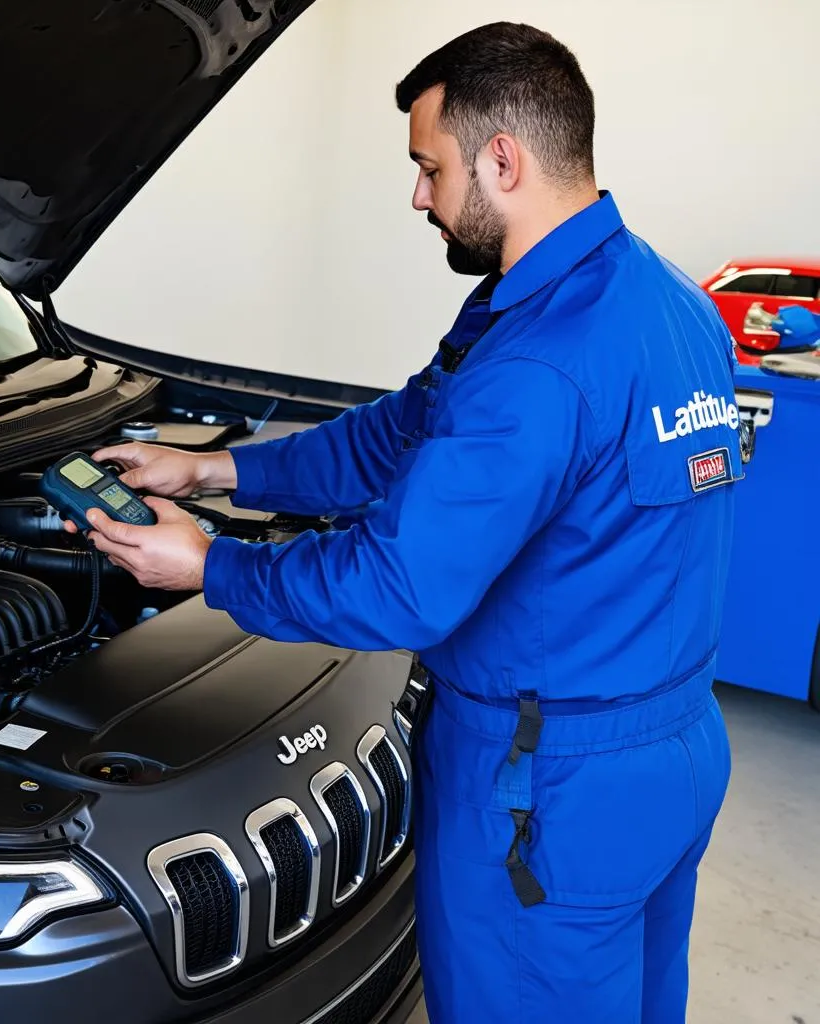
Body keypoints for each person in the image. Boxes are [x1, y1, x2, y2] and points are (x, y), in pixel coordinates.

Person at [66, 23, 743, 1023]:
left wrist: (210, 565)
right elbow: (402, 434)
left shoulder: (537, 363)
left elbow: (398, 585)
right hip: (675, 751)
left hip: (545, 789)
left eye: (429, 167)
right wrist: (214, 466)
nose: (418, 195)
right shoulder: (666, 302)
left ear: (501, 158)